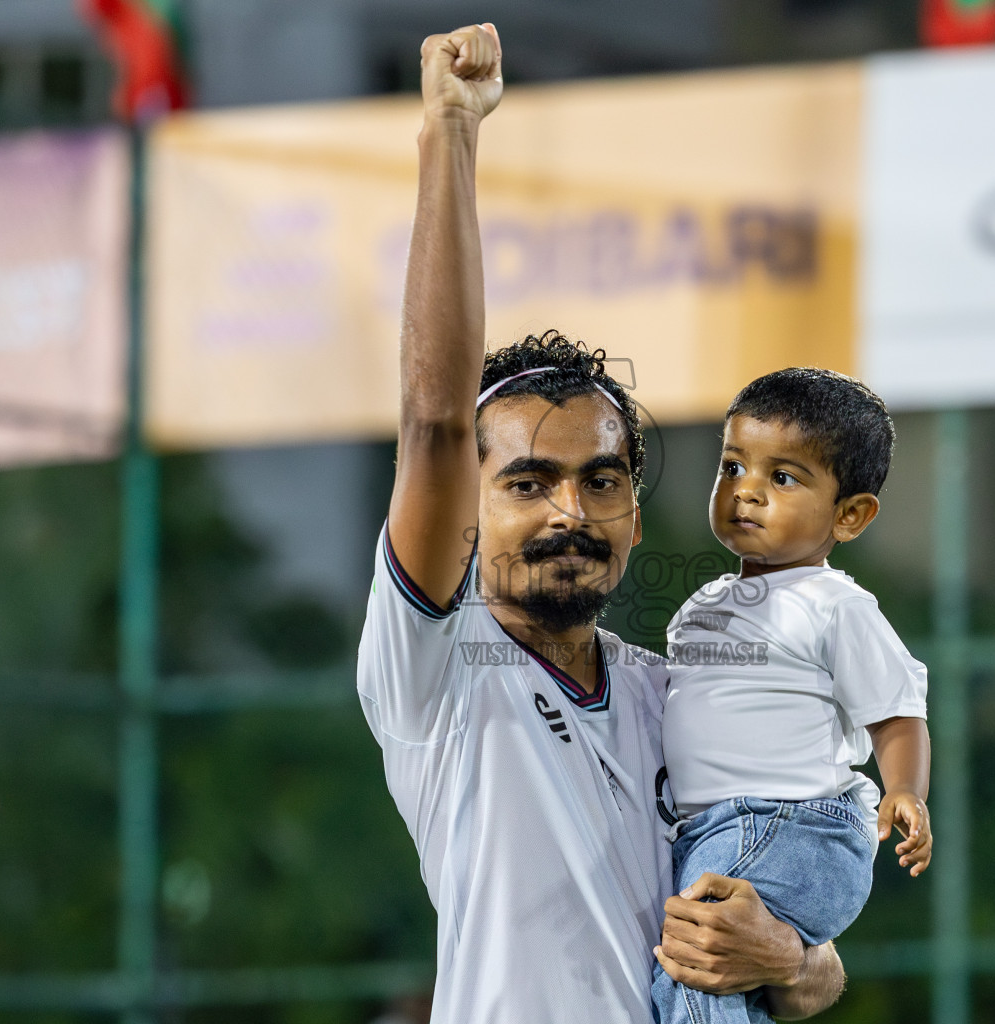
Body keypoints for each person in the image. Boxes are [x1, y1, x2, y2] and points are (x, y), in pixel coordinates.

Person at [354, 24, 847, 1023]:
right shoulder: (436, 670)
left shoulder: (678, 697)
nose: (569, 510)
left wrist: (788, 958)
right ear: (468, 506)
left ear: (633, 509)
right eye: (529, 482)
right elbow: (436, 416)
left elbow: (819, 967)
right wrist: (448, 133)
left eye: (600, 479)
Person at [651, 368, 934, 1024]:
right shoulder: (701, 606)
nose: (746, 490)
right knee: (708, 973)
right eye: (732, 466)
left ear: (851, 515)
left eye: (782, 477)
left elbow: (897, 710)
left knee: (694, 954)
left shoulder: (835, 604)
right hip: (717, 828)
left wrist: (905, 791)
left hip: (789, 824)